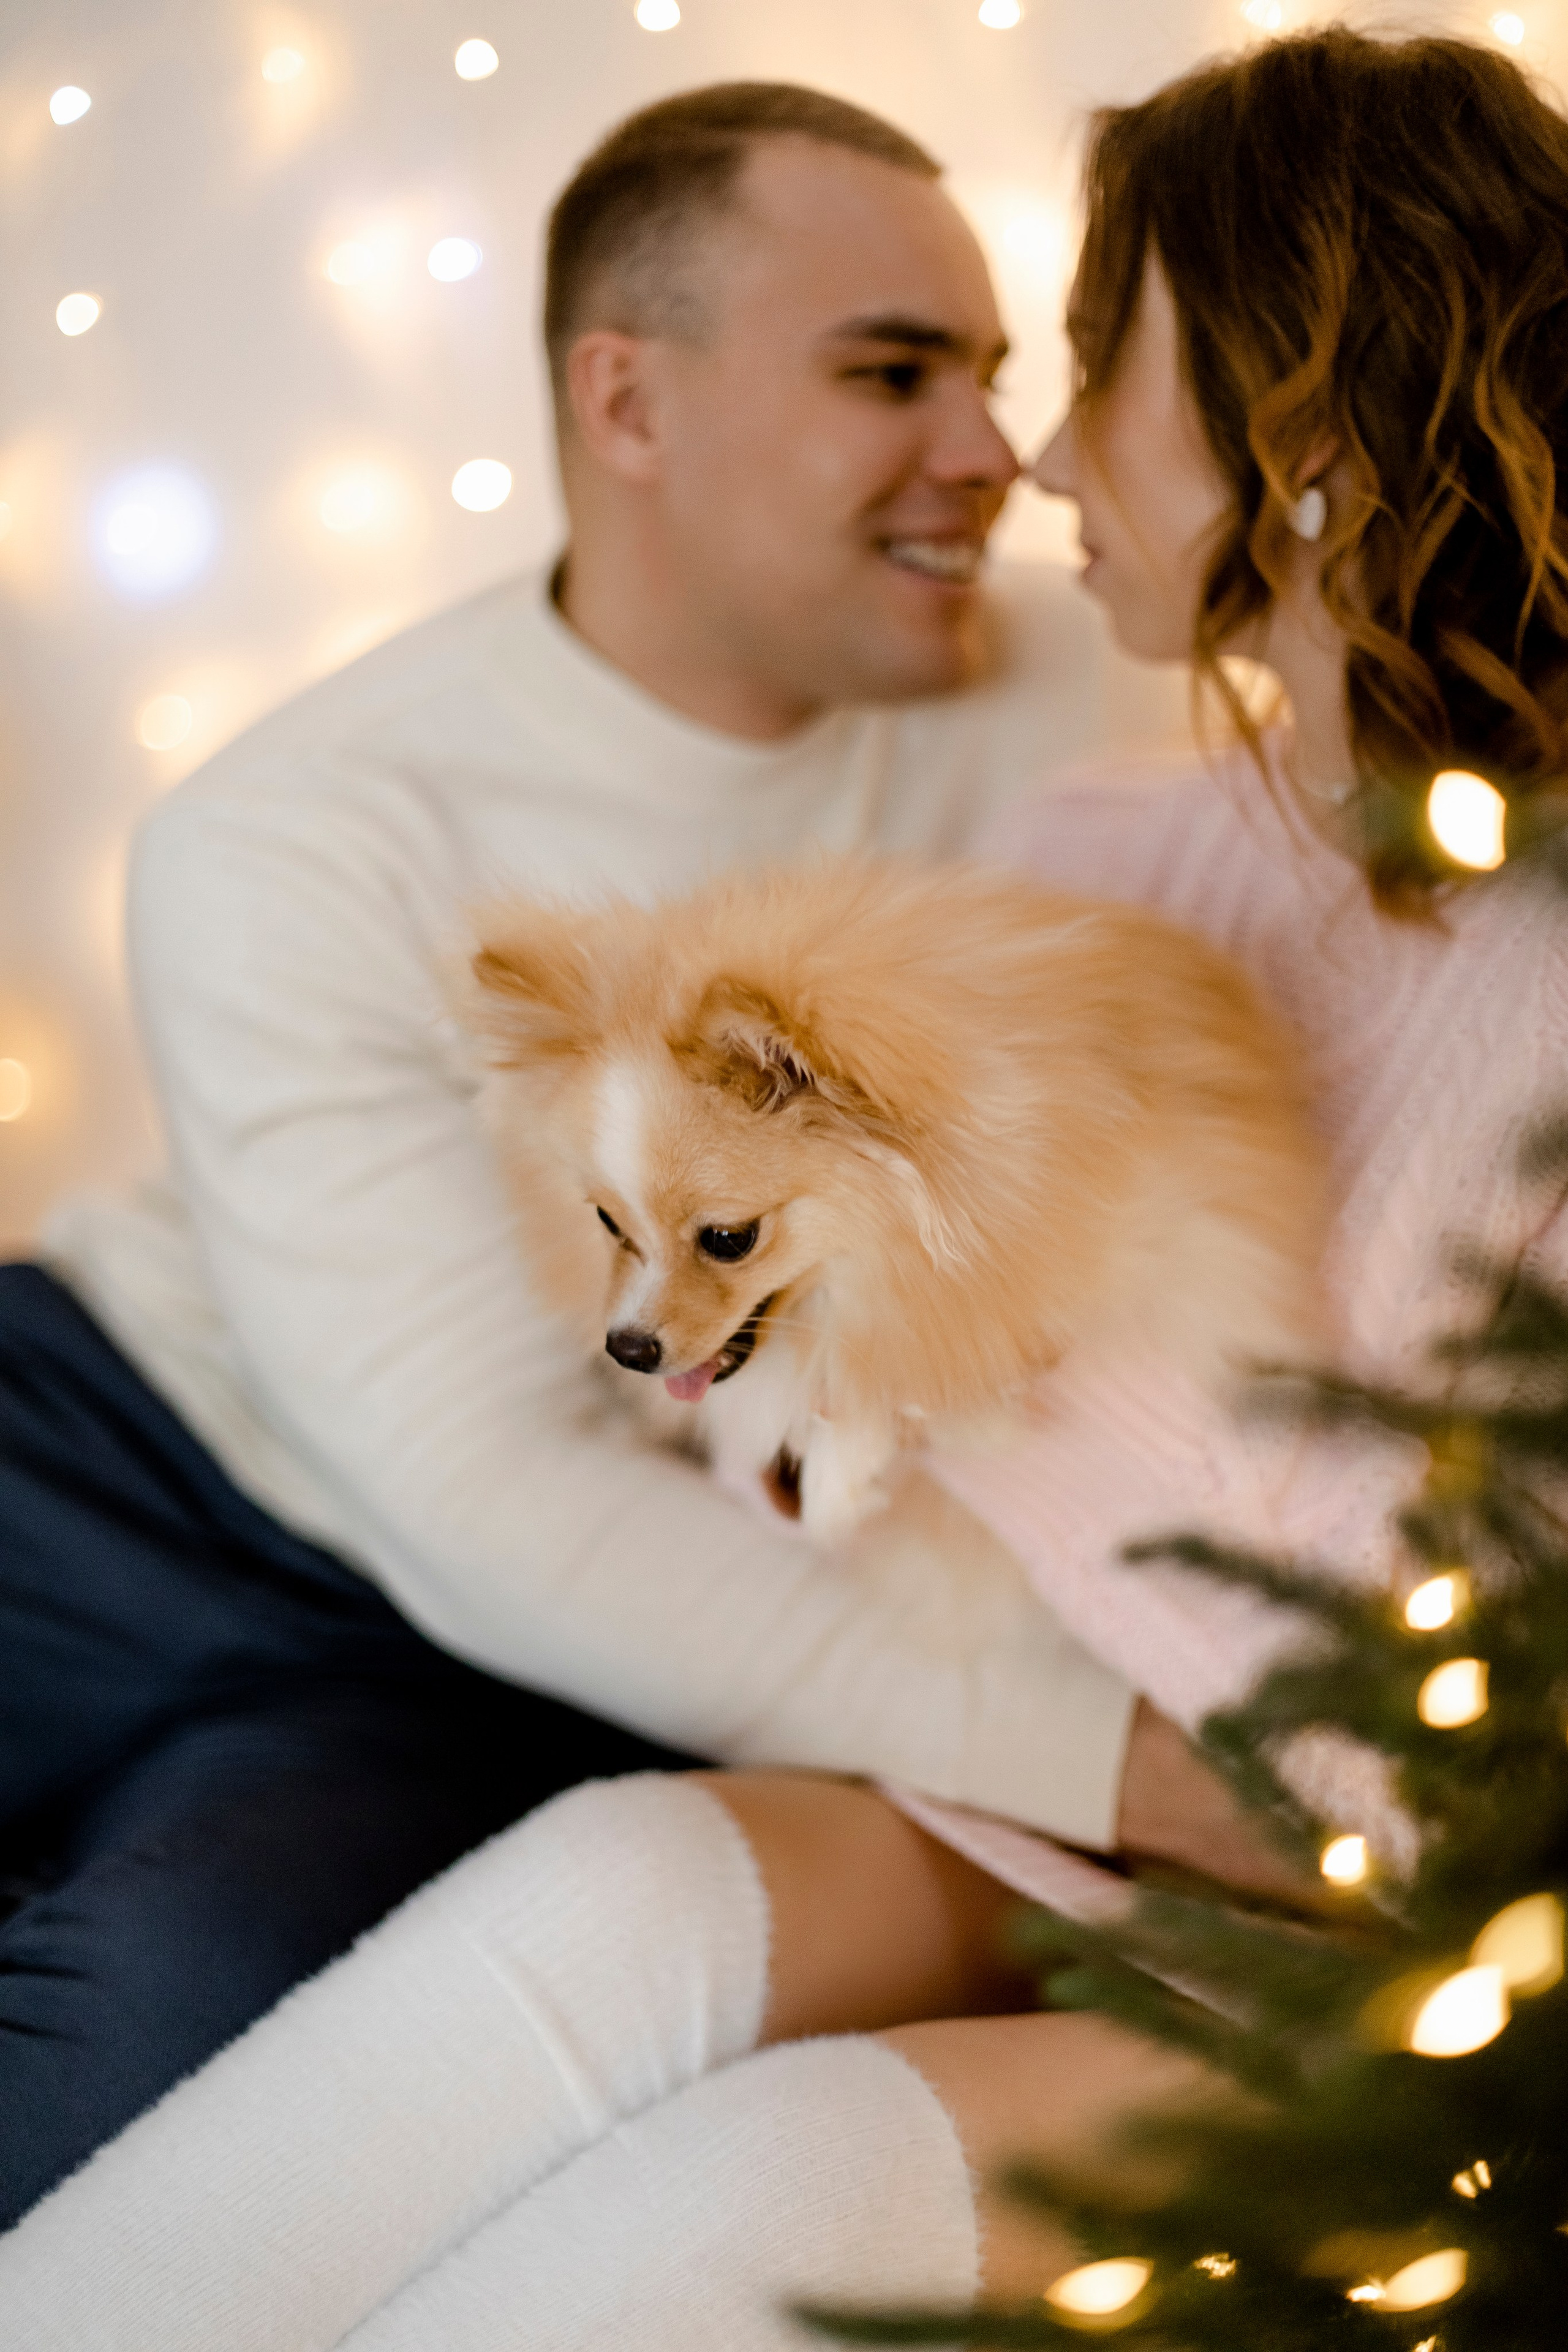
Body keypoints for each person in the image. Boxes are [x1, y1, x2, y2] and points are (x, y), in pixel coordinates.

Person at [13, 23, 1568, 2349]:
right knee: (597, 1899)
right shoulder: (1099, 833)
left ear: (1302, 436)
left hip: (1389, 1895)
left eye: (1058, 367)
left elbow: (1397, 1677)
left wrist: (944, 1387)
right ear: (628, 407)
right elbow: (585, 1461)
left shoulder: (1101, 741)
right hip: (211, 1466)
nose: (1009, 455)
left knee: (719, 2161)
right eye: (896, 373)